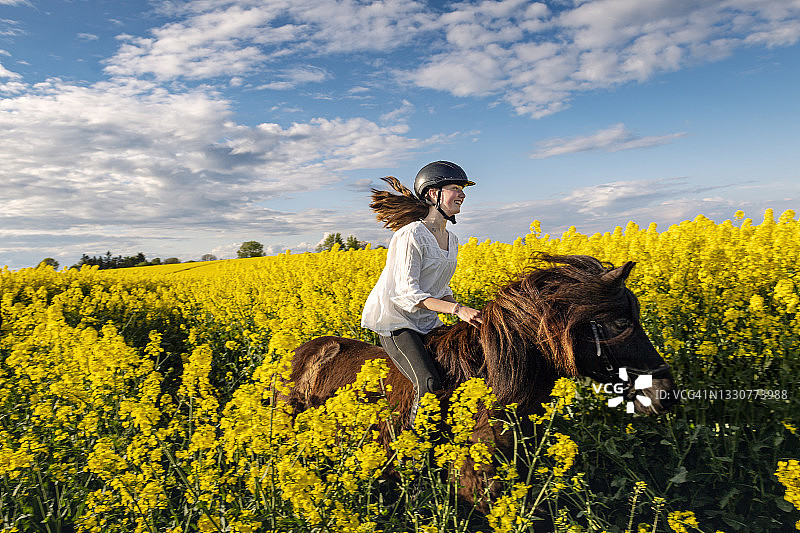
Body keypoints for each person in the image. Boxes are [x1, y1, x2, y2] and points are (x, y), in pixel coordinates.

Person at [361, 161, 483, 428]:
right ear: (432, 193)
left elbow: (441, 288)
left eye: (462, 189)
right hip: (398, 323)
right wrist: (456, 311)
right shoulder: (410, 234)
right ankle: (414, 449)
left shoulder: (452, 239)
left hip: (427, 322)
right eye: (455, 188)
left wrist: (466, 311)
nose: (462, 194)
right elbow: (407, 293)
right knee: (428, 384)